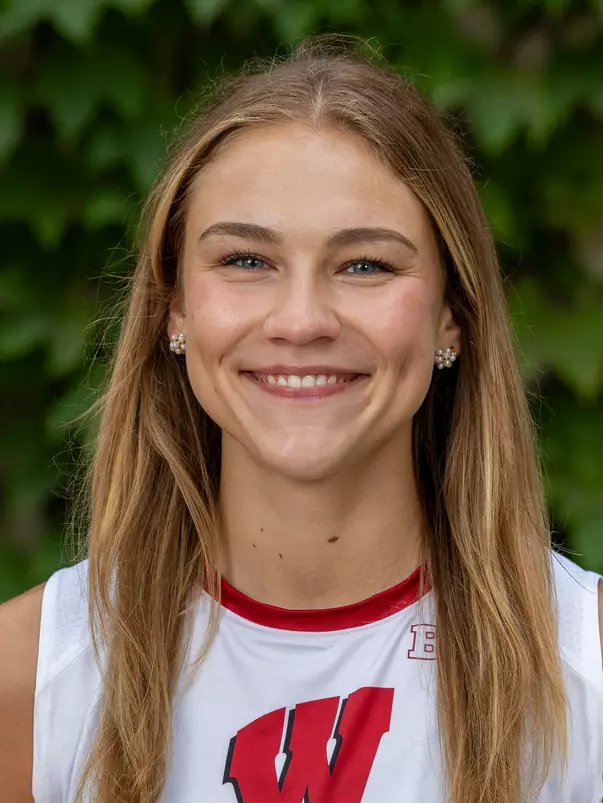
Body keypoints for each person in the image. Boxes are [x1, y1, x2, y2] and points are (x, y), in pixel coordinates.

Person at [0, 34, 601, 803]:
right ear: (175, 308)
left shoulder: (585, 671)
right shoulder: (33, 677)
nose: (302, 319)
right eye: (246, 261)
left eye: (366, 265)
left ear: (452, 315)